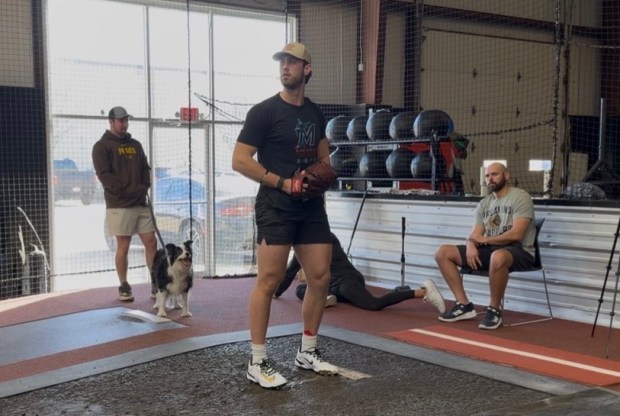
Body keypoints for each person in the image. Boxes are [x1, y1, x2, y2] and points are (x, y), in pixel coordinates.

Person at [232, 42, 338, 389]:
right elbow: (241, 160)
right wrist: (283, 182)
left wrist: (321, 174)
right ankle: (257, 359)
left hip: (309, 206)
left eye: (293, 62)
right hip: (276, 204)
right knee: (270, 280)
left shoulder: (314, 112)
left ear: (307, 69)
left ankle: (307, 351)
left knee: (320, 276)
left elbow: (323, 155)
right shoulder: (263, 112)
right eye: (282, 62)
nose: (285, 67)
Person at [433, 162, 536, 330]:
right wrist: (471, 245)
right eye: (487, 176)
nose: (490, 179)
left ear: (506, 175)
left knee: (498, 256)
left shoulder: (520, 197)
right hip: (492, 250)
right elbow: (475, 234)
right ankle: (464, 305)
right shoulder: (484, 204)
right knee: (442, 253)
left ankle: (494, 310)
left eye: (495, 174)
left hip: (520, 251)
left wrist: (483, 240)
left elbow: (517, 234)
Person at [275, 232, 446, 314]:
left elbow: (293, 269)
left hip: (346, 280)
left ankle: (423, 291)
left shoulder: (325, 238)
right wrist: (275, 293)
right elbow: (291, 271)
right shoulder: (302, 245)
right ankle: (326, 298)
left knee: (373, 304)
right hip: (331, 285)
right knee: (300, 290)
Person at [92, 106, 157, 302]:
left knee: (151, 242)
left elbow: (145, 167)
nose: (124, 124)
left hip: (140, 203)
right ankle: (124, 285)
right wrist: (124, 190)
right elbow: (104, 176)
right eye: (120, 121)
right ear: (111, 122)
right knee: (124, 245)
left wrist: (145, 185)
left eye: (126, 120)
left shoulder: (135, 145)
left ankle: (156, 282)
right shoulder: (101, 146)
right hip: (119, 205)